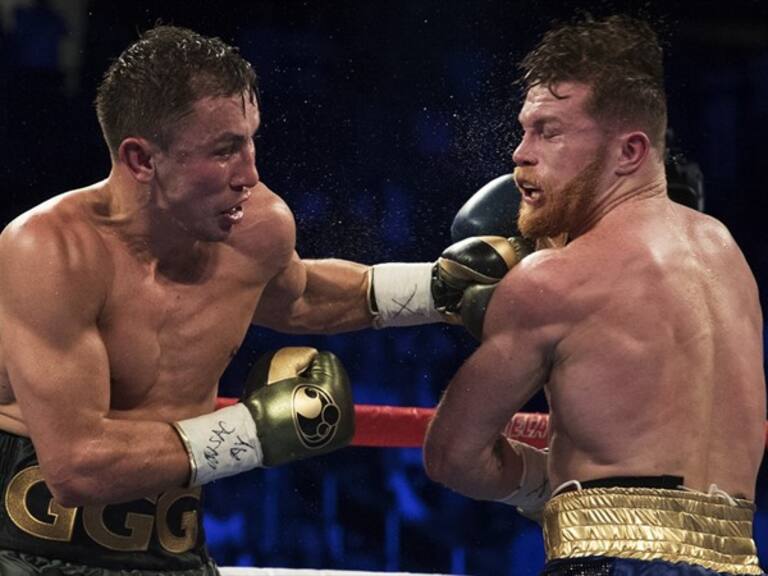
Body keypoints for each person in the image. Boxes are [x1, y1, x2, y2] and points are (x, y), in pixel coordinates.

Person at [0, 24, 529, 574]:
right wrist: (254, 433)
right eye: (224, 150)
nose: (249, 173)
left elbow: (298, 298)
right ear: (141, 160)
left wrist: (437, 288)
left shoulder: (254, 228)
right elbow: (77, 468)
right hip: (29, 553)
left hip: (174, 552)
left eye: (251, 140)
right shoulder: (51, 252)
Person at [422, 15, 766, 576]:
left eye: (549, 132)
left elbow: (451, 454)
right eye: (524, 129)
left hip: (610, 561)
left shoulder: (552, 281)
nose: (520, 154)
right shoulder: (727, 256)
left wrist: (546, 485)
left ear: (629, 151)